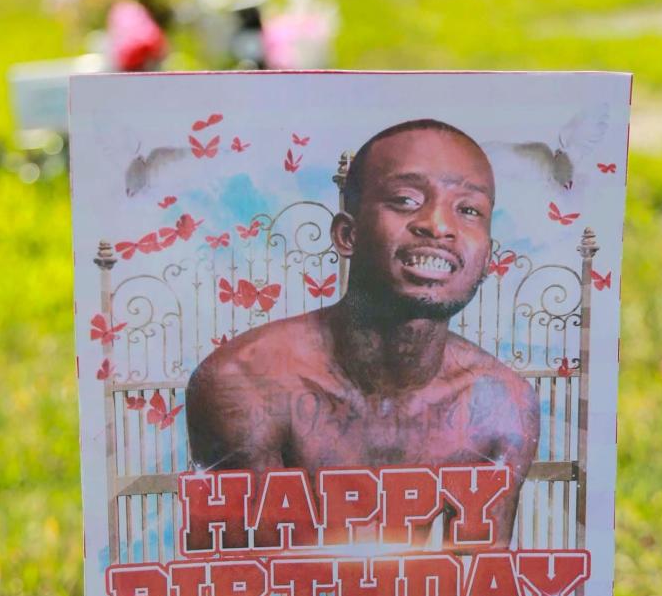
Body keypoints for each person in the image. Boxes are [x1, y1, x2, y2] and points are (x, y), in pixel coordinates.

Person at [186, 118, 540, 545]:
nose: (438, 225)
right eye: (406, 200)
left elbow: (483, 593)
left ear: (487, 258)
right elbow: (256, 590)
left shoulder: (504, 405)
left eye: (468, 210)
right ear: (347, 234)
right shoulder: (245, 383)